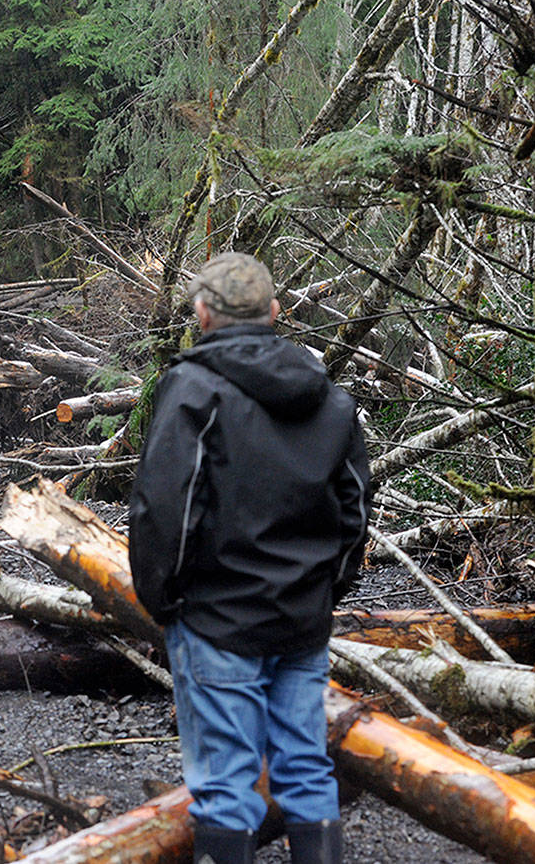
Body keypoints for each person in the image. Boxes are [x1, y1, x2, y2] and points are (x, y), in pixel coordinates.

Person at [128, 252, 371, 864]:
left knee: (225, 783)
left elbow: (164, 507)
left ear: (202, 314)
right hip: (300, 618)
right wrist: (325, 591)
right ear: (274, 312)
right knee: (307, 769)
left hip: (218, 621)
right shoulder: (330, 398)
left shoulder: (192, 389)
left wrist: (162, 599)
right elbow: (355, 511)